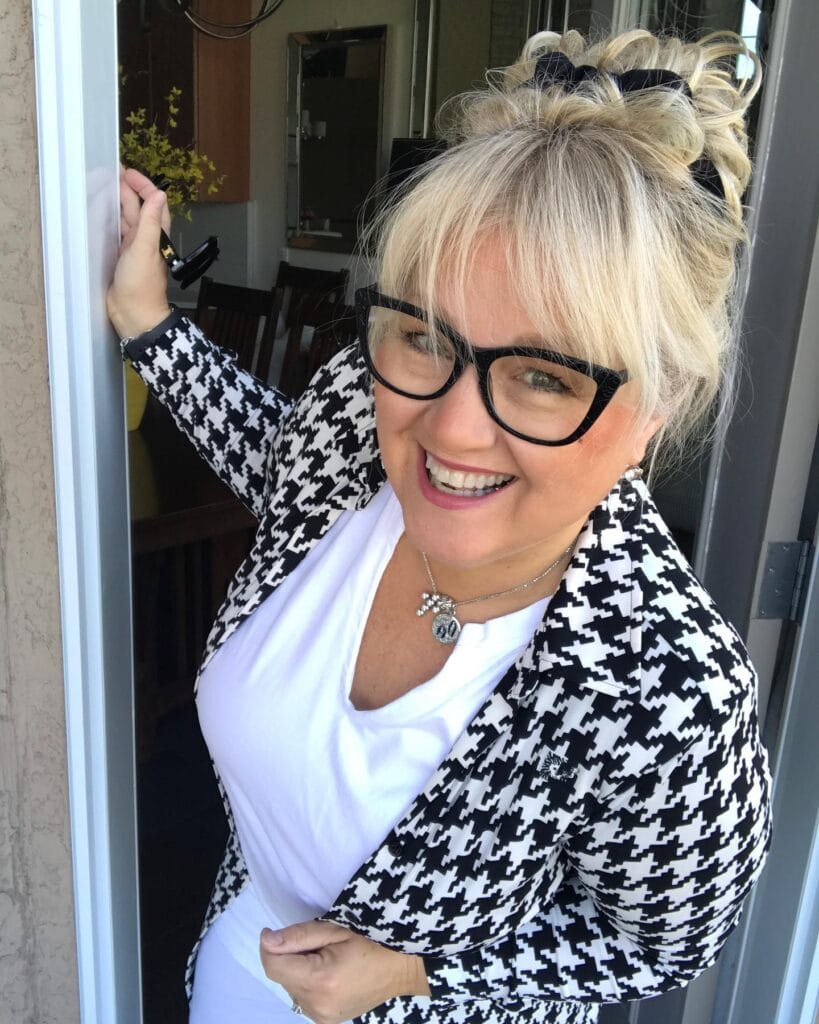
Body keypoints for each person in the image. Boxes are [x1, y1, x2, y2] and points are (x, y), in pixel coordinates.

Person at [108, 27, 772, 1024]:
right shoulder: (355, 410)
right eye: (424, 335)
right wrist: (151, 326)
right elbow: (285, 471)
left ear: (659, 405)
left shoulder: (667, 693)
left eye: (547, 374)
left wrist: (418, 968)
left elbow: (660, 942)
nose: (452, 429)